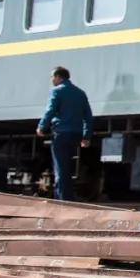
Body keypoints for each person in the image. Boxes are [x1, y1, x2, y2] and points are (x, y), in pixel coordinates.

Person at [35, 67, 93, 201]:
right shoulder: (80, 93)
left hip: (61, 134)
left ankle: (62, 201)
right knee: (68, 168)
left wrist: (41, 127)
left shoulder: (56, 91)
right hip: (76, 135)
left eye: (52, 77)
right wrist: (86, 136)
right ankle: (68, 198)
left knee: (61, 169)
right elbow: (88, 116)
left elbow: (50, 110)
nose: (51, 80)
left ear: (58, 76)